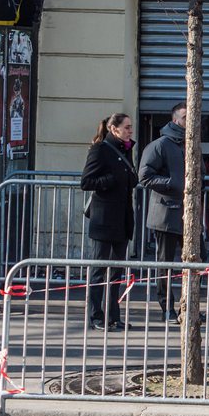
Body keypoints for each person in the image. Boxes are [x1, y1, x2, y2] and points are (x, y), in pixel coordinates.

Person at [138, 102, 200, 324]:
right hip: (165, 215)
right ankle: (167, 308)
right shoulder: (160, 145)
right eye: (185, 117)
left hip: (189, 214)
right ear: (176, 120)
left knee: (196, 261)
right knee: (166, 264)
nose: (189, 121)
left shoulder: (190, 144)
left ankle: (189, 306)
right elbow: (145, 176)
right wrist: (173, 183)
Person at [81, 113, 138, 331]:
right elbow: (86, 181)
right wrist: (110, 180)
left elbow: (131, 178)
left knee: (116, 271)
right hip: (104, 220)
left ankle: (114, 315)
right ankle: (95, 315)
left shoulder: (126, 149)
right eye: (127, 127)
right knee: (99, 269)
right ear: (114, 129)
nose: (130, 131)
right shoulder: (100, 149)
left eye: (131, 128)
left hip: (122, 220)